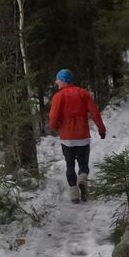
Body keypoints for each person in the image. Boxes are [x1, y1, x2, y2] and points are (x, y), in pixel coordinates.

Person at [48, 68, 106, 203]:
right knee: (83, 164)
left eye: (58, 79)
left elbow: (53, 117)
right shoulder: (83, 93)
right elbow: (95, 113)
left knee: (69, 165)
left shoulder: (58, 96)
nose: (56, 82)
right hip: (83, 137)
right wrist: (101, 129)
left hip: (67, 138)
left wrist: (55, 128)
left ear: (63, 80)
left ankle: (74, 195)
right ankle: (83, 179)